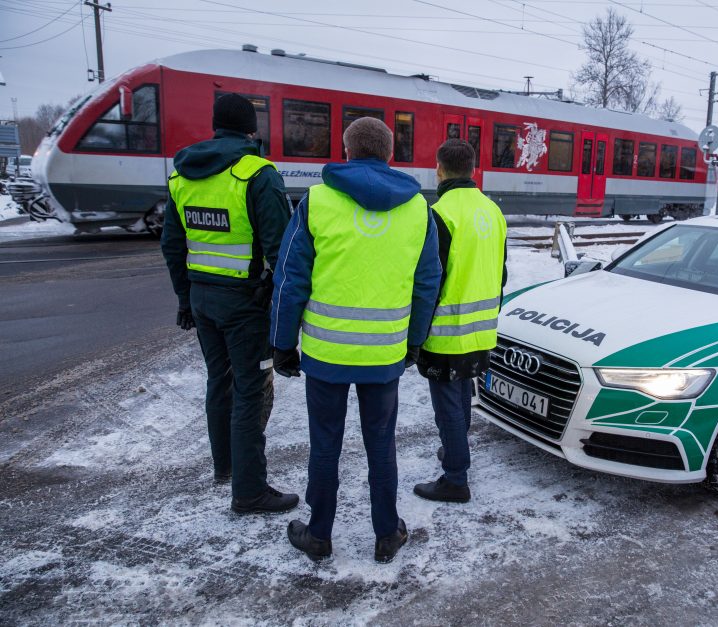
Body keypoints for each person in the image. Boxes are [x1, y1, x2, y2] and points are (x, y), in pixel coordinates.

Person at [270, 117, 441, 564]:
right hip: (384, 354)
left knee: (325, 444)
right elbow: (428, 282)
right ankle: (387, 533)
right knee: (381, 444)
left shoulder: (318, 200)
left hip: (326, 355)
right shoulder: (418, 208)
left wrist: (282, 343)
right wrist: (415, 342)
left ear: (346, 150)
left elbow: (291, 279)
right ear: (389, 153)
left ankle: (319, 535)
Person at [161, 93, 298, 515]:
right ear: (251, 130)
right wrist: (280, 316)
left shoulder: (183, 175)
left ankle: (226, 469)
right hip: (244, 304)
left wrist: (185, 297)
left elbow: (172, 244)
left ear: (215, 125)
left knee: (218, 381)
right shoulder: (256, 174)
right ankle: (250, 490)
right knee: (250, 390)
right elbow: (282, 253)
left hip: (203, 300)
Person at [413, 139, 508, 504]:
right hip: (482, 330)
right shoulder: (493, 212)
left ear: (439, 170)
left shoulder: (439, 213)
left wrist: (417, 334)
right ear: (473, 170)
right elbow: (500, 275)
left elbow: (429, 283)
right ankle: (456, 452)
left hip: (446, 332)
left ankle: (455, 478)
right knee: (463, 391)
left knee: (447, 404)